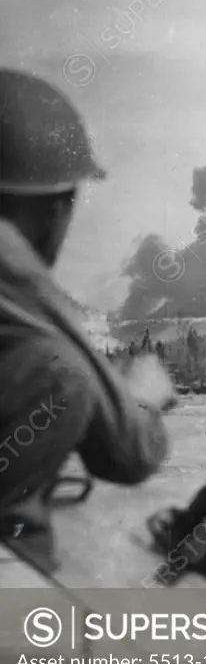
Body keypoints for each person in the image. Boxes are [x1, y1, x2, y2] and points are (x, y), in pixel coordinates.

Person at [0, 69, 174, 543]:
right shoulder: (14, 268)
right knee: (59, 371)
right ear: (57, 207)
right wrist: (143, 395)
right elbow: (131, 450)